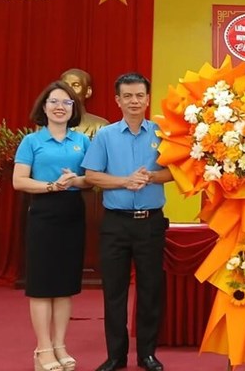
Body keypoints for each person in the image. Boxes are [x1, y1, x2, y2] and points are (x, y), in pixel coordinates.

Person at [81, 72, 173, 371]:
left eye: (139, 96)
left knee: (150, 290)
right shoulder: (105, 135)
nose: (134, 101)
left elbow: (176, 172)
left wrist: (150, 177)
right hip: (115, 224)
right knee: (114, 290)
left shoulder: (162, 133)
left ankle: (147, 354)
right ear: (118, 100)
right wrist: (124, 181)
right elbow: (92, 176)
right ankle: (115, 356)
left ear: (148, 99)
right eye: (128, 96)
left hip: (150, 223)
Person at [13, 80, 92, 371]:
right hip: (44, 212)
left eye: (66, 103)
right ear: (43, 107)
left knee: (65, 285)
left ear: (74, 109)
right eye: (54, 102)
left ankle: (60, 345)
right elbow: (19, 180)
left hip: (73, 212)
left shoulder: (82, 141)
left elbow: (91, 179)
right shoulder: (32, 142)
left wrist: (75, 180)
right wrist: (51, 186)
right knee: (42, 285)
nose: (60, 107)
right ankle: (42, 348)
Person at [61, 68, 109, 135]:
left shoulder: (100, 126)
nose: (69, 90)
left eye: (75, 85)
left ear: (88, 92)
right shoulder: (46, 125)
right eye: (65, 85)